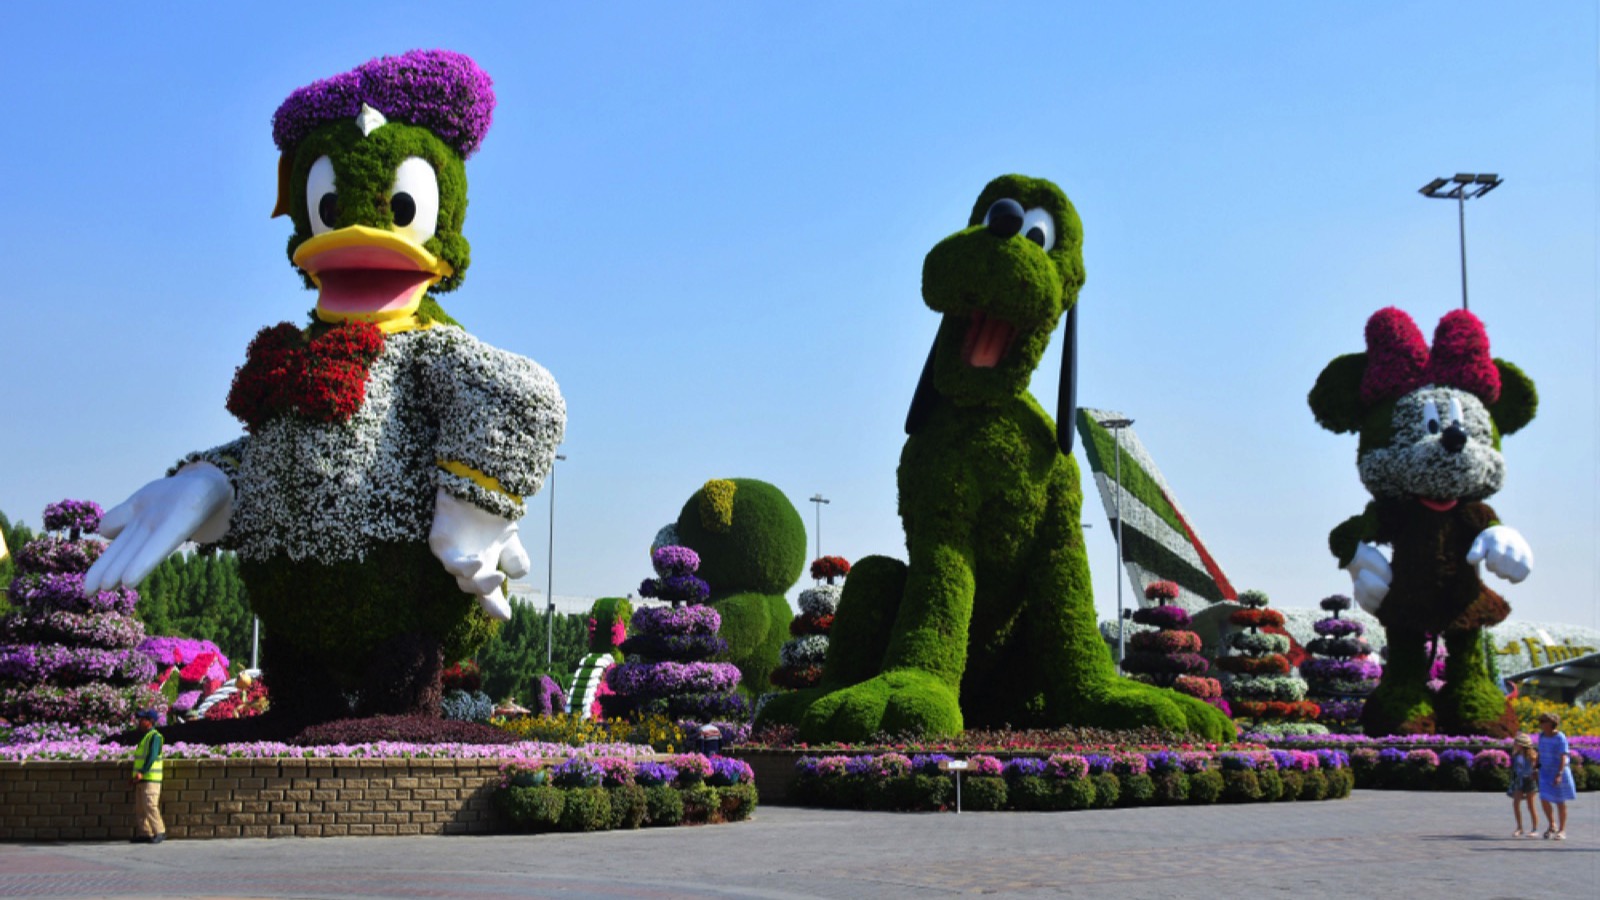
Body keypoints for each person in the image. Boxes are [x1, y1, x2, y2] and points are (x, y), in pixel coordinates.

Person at [1535, 711, 1576, 840]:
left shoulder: (1560, 737)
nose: (1541, 724)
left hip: (1558, 772)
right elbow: (1539, 753)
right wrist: (1535, 768)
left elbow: (1563, 756)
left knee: (1560, 801)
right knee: (1544, 798)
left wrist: (1559, 773)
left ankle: (1562, 830)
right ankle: (1552, 824)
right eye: (1540, 721)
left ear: (1551, 724)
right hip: (1545, 772)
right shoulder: (1541, 736)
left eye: (1543, 722)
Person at [129, 709, 165, 844]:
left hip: (150, 778)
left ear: (150, 722)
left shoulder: (155, 737)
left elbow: (152, 756)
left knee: (150, 806)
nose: (140, 721)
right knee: (140, 808)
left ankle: (159, 831)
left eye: (143, 719)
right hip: (142, 778)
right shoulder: (146, 736)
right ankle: (145, 832)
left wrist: (142, 772)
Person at [1507, 733, 1539, 837]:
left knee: (1531, 806)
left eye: (1516, 743)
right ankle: (1519, 827)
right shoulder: (1515, 756)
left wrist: (1535, 773)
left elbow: (1536, 768)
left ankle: (1534, 829)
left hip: (1529, 780)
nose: (1514, 744)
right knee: (1516, 804)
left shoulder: (1532, 755)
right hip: (1519, 780)